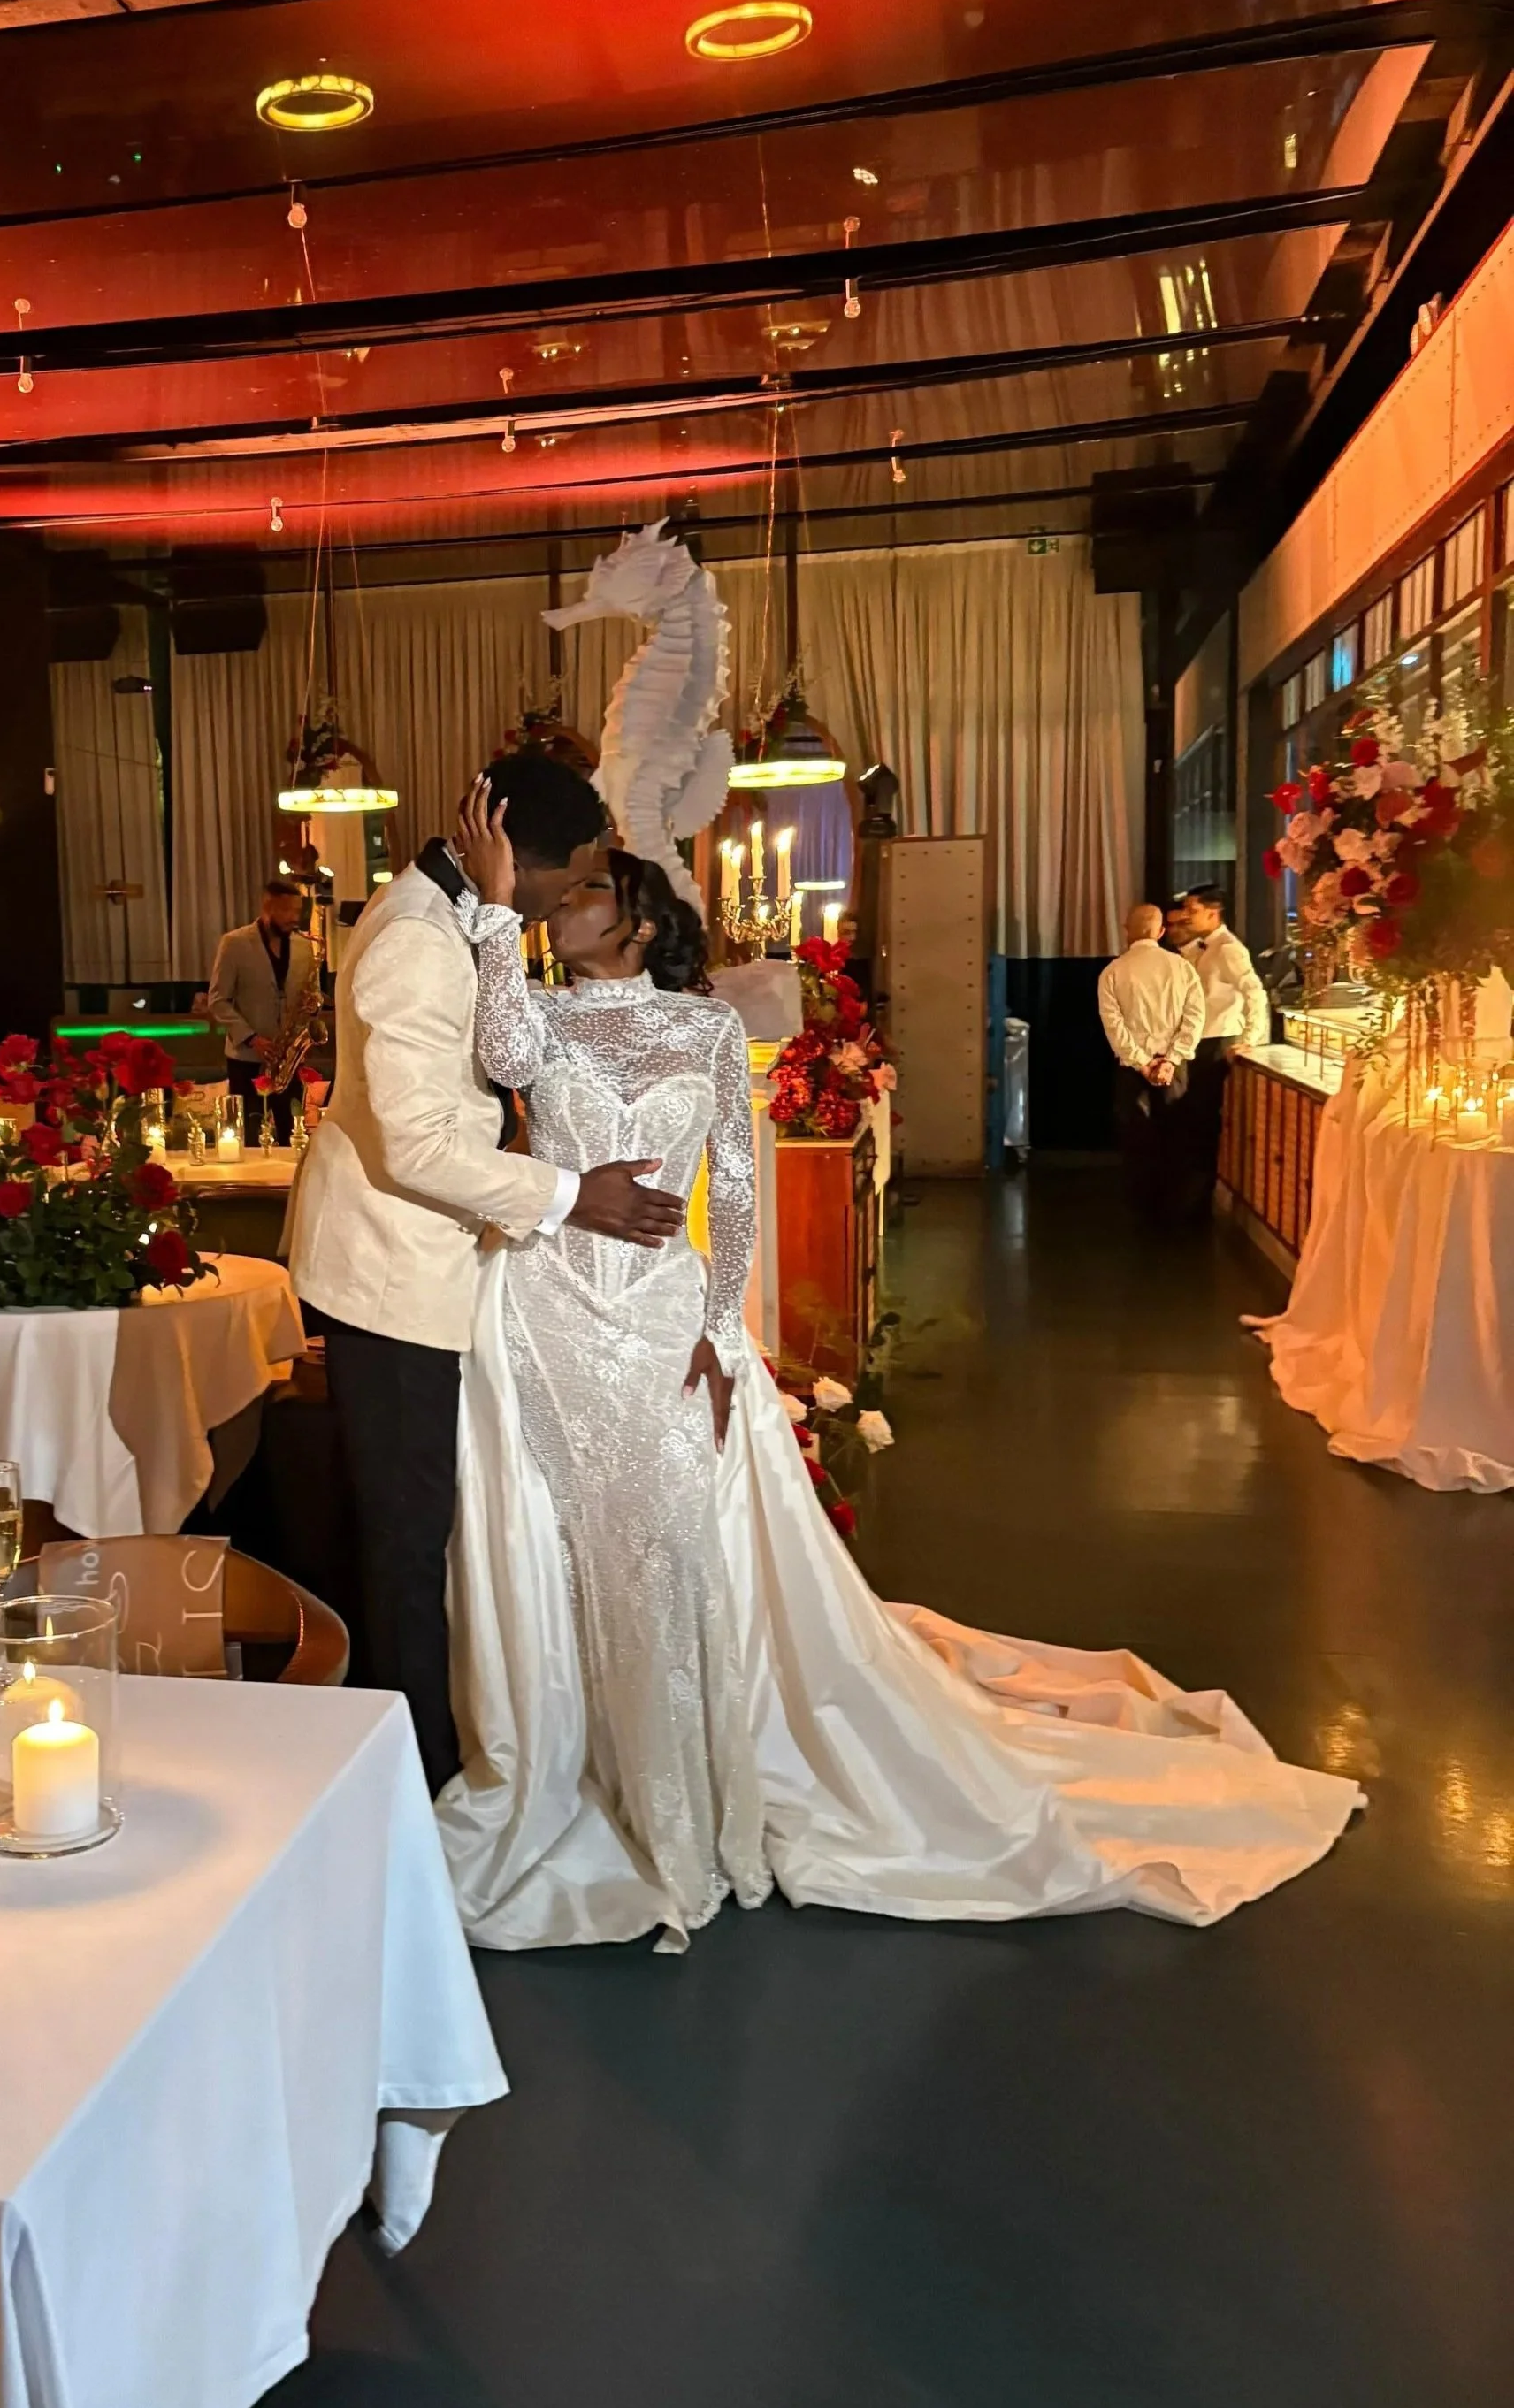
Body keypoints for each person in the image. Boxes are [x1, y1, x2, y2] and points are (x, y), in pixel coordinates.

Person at [435, 785, 1360, 1951]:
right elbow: (501, 1048)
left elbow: (735, 1186)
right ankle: (581, 1774)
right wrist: (481, 909)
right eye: (554, 896)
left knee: (666, 1557)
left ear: (634, 916)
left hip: (664, 1317)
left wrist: (727, 1340)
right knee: (559, 1546)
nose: (556, 909)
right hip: (545, 1312)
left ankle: (684, 1818)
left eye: (579, 894)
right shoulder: (543, 1017)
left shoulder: (711, 1027)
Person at [287, 749, 688, 1792]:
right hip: (392, 1270)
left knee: (428, 1519)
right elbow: (418, 1148)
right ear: (513, 853)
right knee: (408, 1532)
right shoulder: (418, 941)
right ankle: (408, 1778)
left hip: (439, 1256)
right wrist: (569, 1195)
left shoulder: (458, 910)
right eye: (575, 874)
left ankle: (435, 1735)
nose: (565, 898)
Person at [1097, 903, 1206, 1223]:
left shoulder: (1112, 972)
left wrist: (1142, 1063)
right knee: (1176, 1135)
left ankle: (1141, 1208)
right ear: (1160, 932)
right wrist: (1171, 1060)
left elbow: (1114, 1026)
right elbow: (1195, 1017)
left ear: (1126, 930)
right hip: (1175, 1068)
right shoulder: (1183, 968)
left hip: (1133, 1071)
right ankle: (1175, 1208)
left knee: (1137, 1139)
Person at [1175, 882, 1269, 1198]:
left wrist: (1251, 1037)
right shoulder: (1202, 948)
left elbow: (1254, 992)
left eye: (1192, 910)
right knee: (1193, 1116)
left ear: (1213, 913)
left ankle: (1201, 1191)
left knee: (1204, 1117)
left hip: (1218, 1040)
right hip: (1199, 1040)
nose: (1186, 916)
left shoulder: (1229, 948)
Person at [209, 879, 317, 1141]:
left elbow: (311, 992)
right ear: (268, 908)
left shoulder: (304, 947)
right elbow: (217, 1000)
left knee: (293, 1134)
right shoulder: (234, 943)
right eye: (288, 911)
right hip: (246, 1058)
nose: (295, 918)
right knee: (247, 1133)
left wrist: (313, 1004)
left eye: (298, 911)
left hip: (288, 1058)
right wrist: (252, 1038)